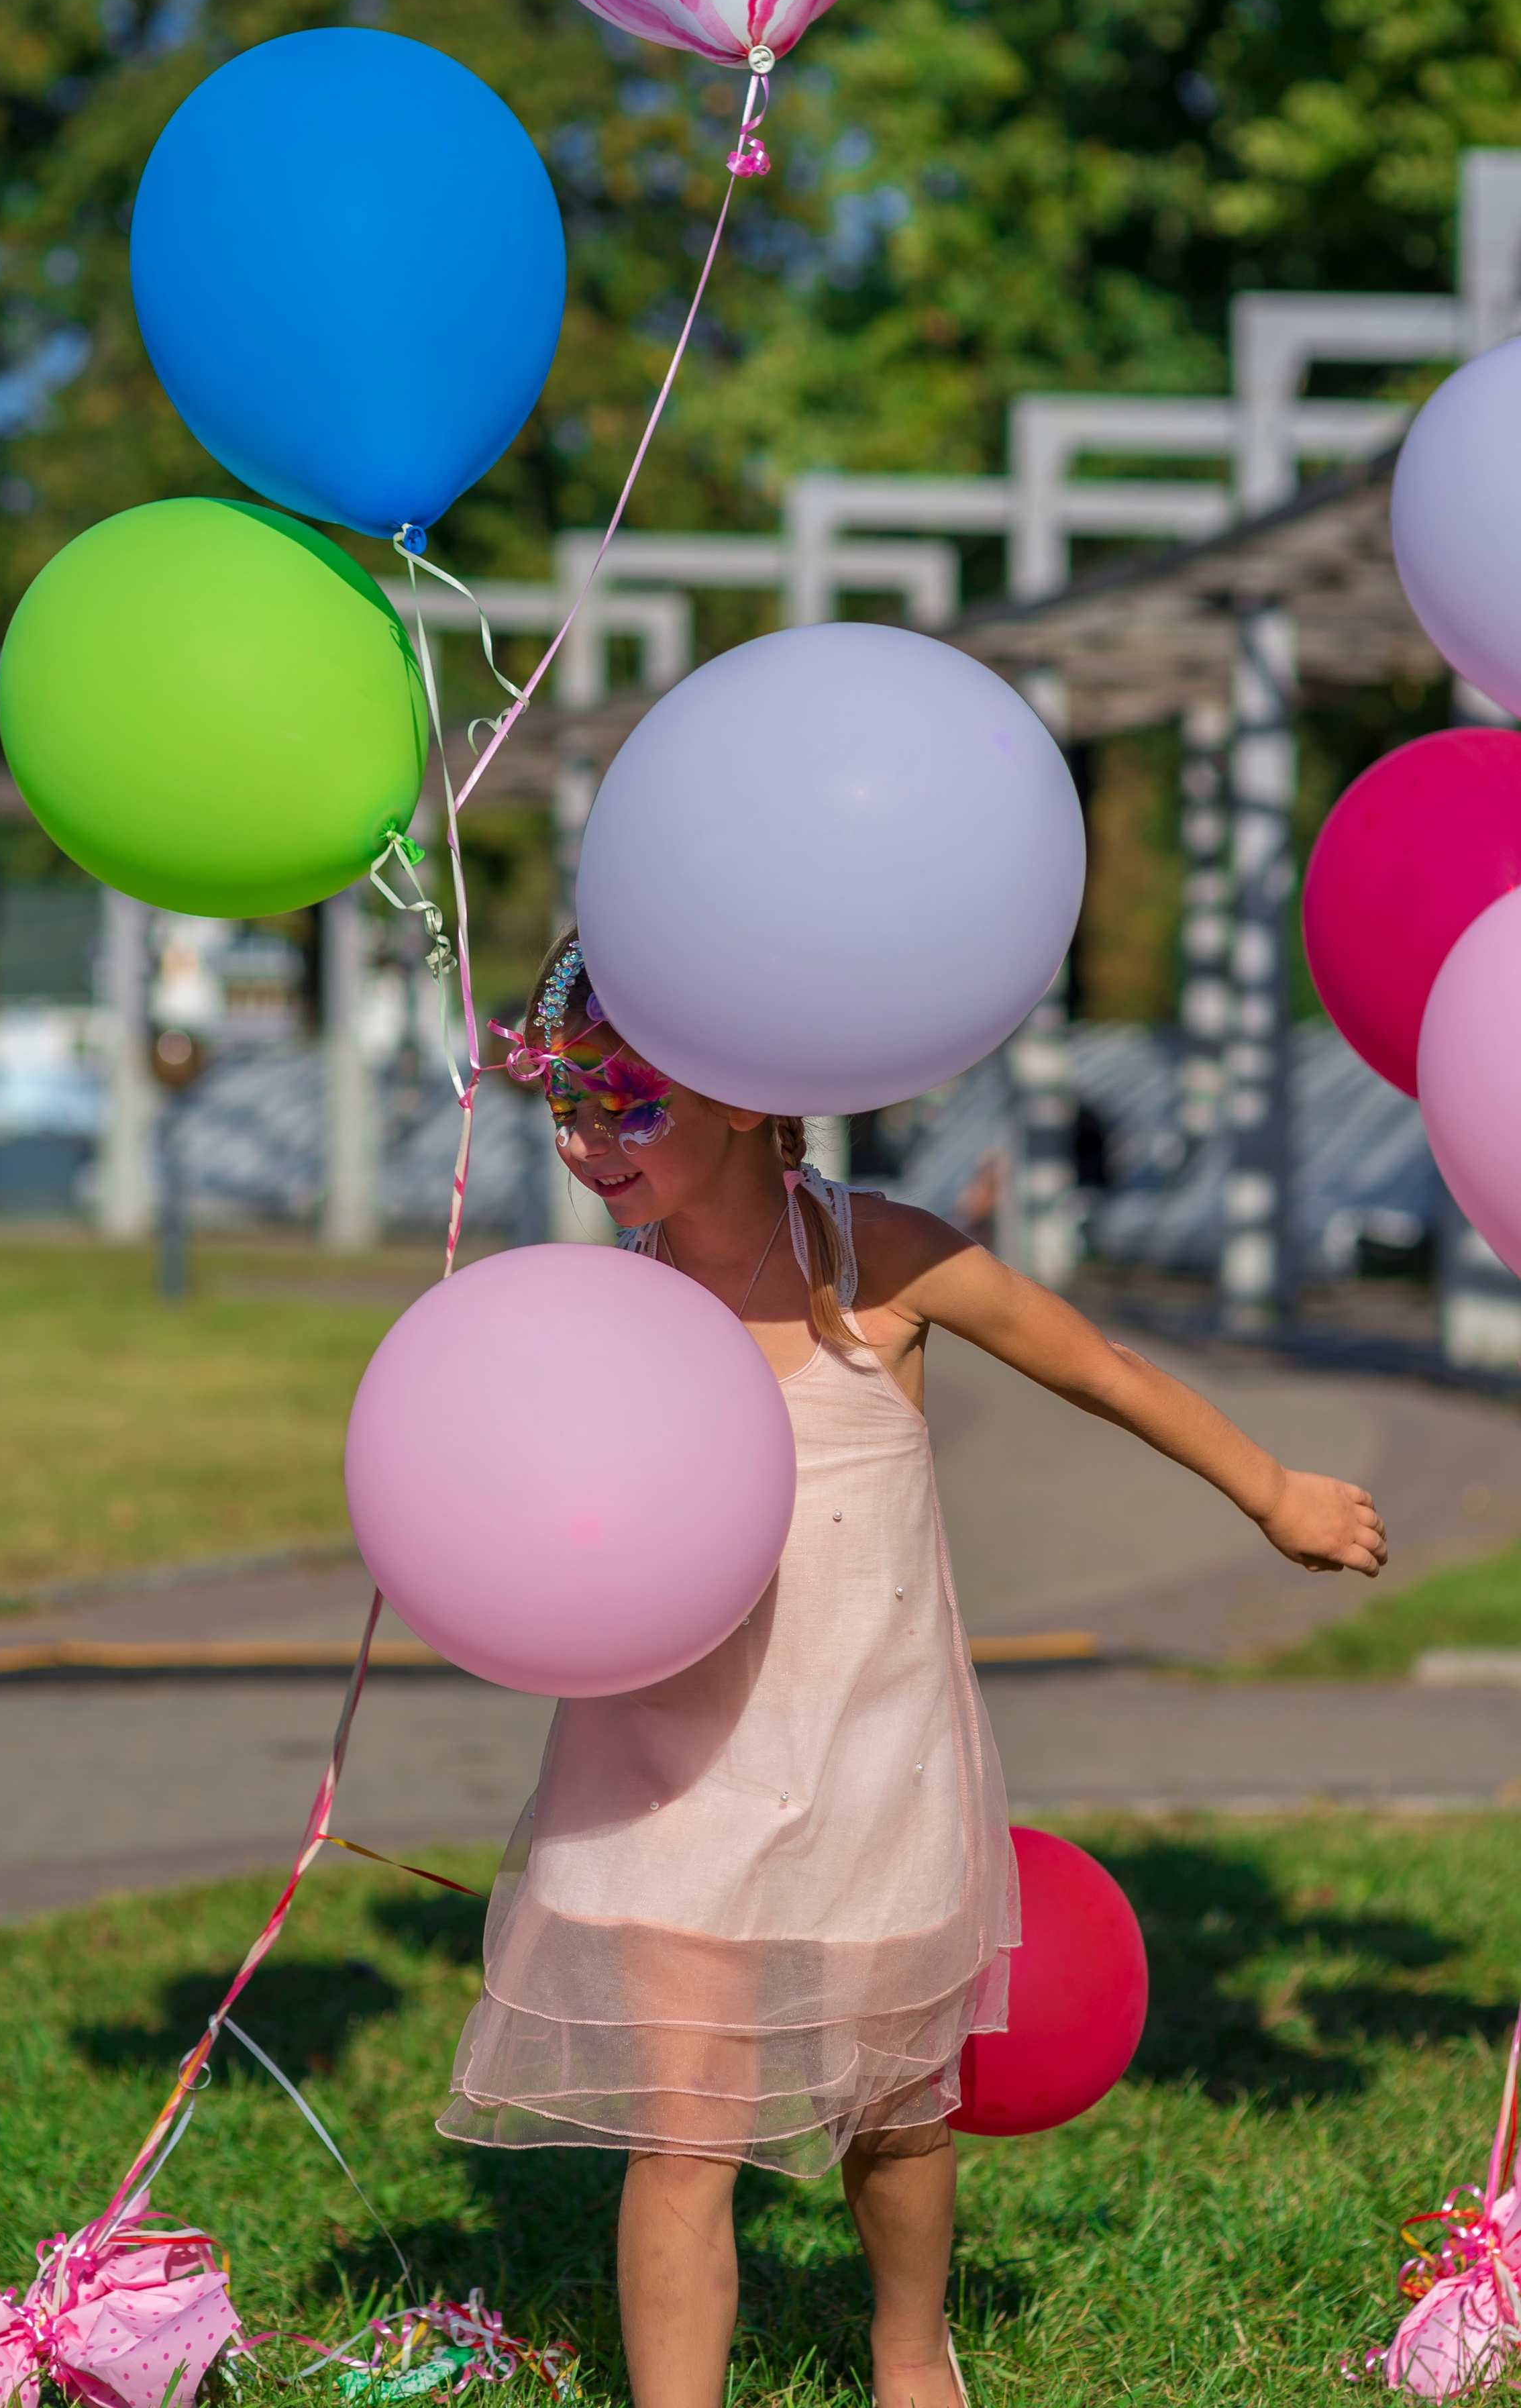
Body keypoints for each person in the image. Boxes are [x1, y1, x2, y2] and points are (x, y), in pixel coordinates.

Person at [439, 933, 1387, 2408]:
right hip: (665, 1776)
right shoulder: (605, 1314)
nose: (585, 1142)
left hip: (865, 1759)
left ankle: (906, 2351)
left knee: (893, 2115)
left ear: (745, 1097)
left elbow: (1101, 1368)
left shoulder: (867, 1260)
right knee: (685, 2130)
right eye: (560, 1106)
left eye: (626, 1104)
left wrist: (1271, 1492)